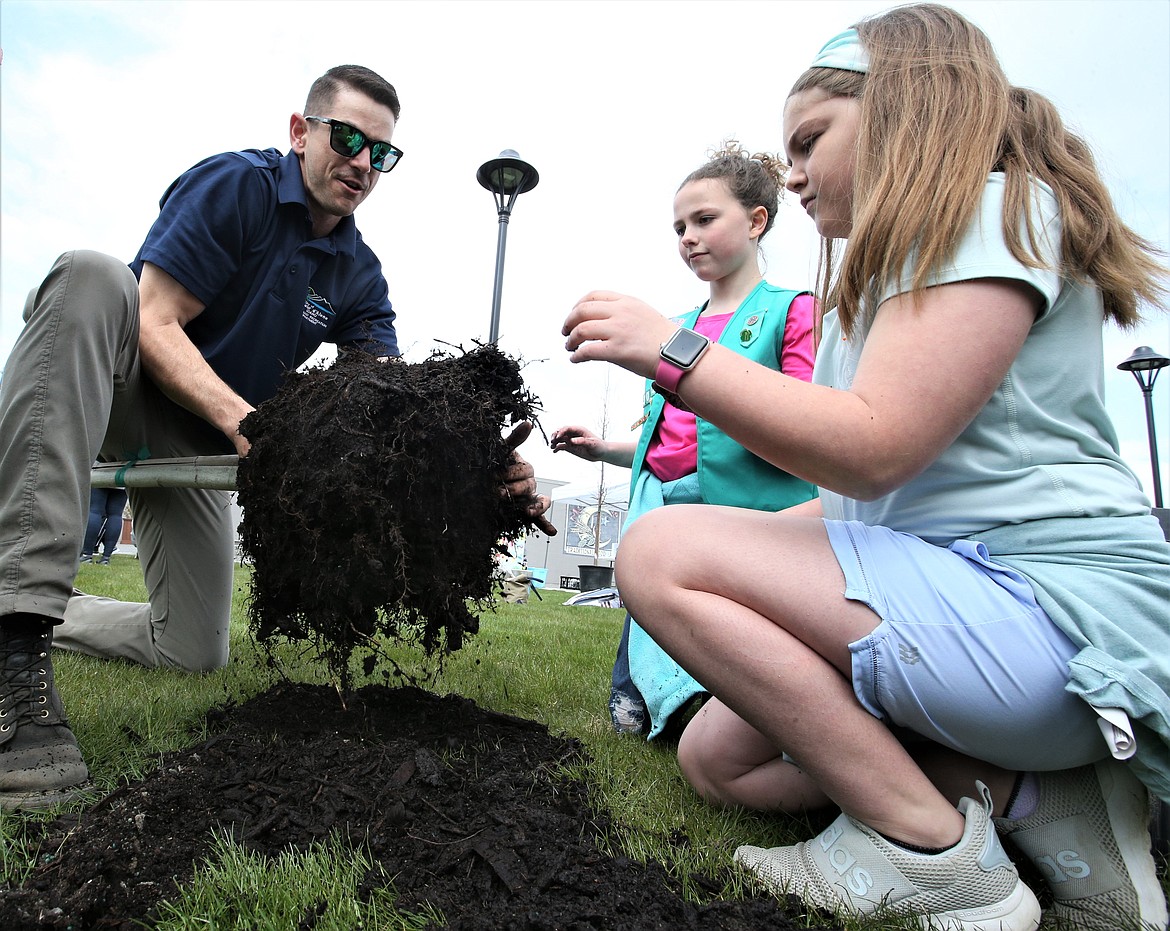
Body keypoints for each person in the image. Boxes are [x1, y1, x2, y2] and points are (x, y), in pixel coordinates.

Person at [560, 5, 1170, 929]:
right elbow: (856, 499)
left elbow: (875, 443)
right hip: (972, 615)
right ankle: (1039, 800)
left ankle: (937, 859)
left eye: (809, 141)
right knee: (719, 759)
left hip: (1058, 620)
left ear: (908, 108)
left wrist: (673, 352)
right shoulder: (875, 285)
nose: (793, 172)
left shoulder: (991, 204)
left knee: (655, 552)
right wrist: (737, 560)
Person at [0, 65, 553, 812]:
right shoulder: (239, 188)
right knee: (96, 277)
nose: (361, 161)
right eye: (347, 137)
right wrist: (248, 423)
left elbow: (391, 414)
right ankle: (16, 635)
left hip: (203, 434)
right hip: (122, 390)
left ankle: (52, 606)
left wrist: (482, 466)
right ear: (301, 132)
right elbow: (155, 320)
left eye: (380, 153)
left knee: (192, 649)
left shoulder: (359, 274)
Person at [551, 143, 817, 739]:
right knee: (651, 610)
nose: (688, 238)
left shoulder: (792, 312)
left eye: (704, 220)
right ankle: (645, 695)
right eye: (678, 227)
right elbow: (669, 442)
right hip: (658, 506)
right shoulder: (677, 326)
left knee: (729, 620)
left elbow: (807, 422)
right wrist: (605, 450)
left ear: (756, 221)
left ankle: (720, 708)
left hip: (744, 512)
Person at [79, 486, 129, 566]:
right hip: (121, 478)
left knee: (95, 511)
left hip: (101, 476)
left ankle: (87, 555)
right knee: (115, 514)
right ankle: (106, 558)